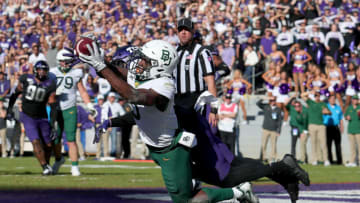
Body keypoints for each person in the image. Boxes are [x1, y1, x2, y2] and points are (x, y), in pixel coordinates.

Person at [76, 39, 310, 203]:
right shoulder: (147, 75)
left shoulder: (162, 85)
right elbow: (123, 80)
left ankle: (251, 186)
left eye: (145, 60)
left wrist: (99, 65)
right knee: (219, 171)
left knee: (219, 178)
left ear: (158, 65)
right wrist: (96, 59)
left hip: (179, 137)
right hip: (177, 129)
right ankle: (279, 172)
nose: (138, 64)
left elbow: (133, 95)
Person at [50, 49, 97, 176]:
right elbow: (46, 90)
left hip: (70, 108)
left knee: (71, 139)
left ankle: (75, 166)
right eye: (62, 61)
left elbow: (82, 91)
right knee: (55, 140)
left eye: (66, 61)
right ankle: (59, 160)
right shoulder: (52, 73)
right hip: (55, 109)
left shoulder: (76, 73)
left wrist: (89, 105)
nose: (64, 64)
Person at [6, 60, 57, 175]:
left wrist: (53, 125)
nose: (42, 72)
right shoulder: (25, 79)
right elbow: (15, 94)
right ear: (35, 70)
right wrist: (9, 109)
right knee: (35, 141)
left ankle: (47, 165)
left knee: (49, 144)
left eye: (44, 70)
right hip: (28, 115)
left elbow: (53, 106)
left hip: (42, 116)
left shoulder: (50, 84)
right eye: (40, 69)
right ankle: (44, 167)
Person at [301, 91, 332, 166]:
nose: (316, 97)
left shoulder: (323, 104)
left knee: (323, 143)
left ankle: (326, 160)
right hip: (312, 125)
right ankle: (315, 160)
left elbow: (330, 113)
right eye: (315, 96)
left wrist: (326, 112)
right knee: (313, 143)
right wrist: (311, 92)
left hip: (321, 125)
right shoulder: (311, 102)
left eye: (318, 96)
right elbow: (302, 95)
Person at [257, 96, 283, 163]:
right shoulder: (266, 106)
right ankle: (264, 157)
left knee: (273, 145)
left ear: (275, 101)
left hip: (274, 130)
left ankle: (273, 158)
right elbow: (258, 103)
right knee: (264, 144)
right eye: (271, 100)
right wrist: (265, 98)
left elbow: (280, 121)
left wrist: (279, 130)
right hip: (266, 129)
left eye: (273, 100)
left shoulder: (278, 109)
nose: (272, 102)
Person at [285, 95, 309, 163]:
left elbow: (307, 109)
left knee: (303, 144)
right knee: (293, 144)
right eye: (293, 102)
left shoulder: (302, 108)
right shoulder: (291, 107)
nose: (296, 106)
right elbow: (285, 104)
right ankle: (293, 158)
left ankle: (304, 159)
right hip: (294, 128)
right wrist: (291, 97)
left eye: (295, 102)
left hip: (301, 128)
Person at [323, 94, 344, 165]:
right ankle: (330, 160)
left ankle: (339, 161)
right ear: (328, 99)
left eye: (334, 99)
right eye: (331, 99)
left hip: (336, 127)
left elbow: (340, 118)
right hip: (328, 127)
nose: (333, 100)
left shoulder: (338, 107)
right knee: (328, 145)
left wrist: (341, 126)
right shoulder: (326, 106)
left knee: (338, 145)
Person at [94, 94, 112, 159]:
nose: (100, 101)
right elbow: (91, 115)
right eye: (99, 100)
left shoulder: (107, 106)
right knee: (98, 140)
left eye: (101, 99)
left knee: (105, 140)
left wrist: (110, 126)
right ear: (98, 100)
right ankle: (97, 155)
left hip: (105, 124)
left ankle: (106, 155)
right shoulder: (95, 107)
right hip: (98, 124)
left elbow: (110, 116)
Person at [344, 95, 360, 167]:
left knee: (359, 147)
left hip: (358, 130)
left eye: (356, 99)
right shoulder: (349, 108)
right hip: (351, 129)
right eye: (354, 99)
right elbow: (345, 116)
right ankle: (352, 161)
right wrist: (347, 117)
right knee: (352, 147)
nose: (355, 101)